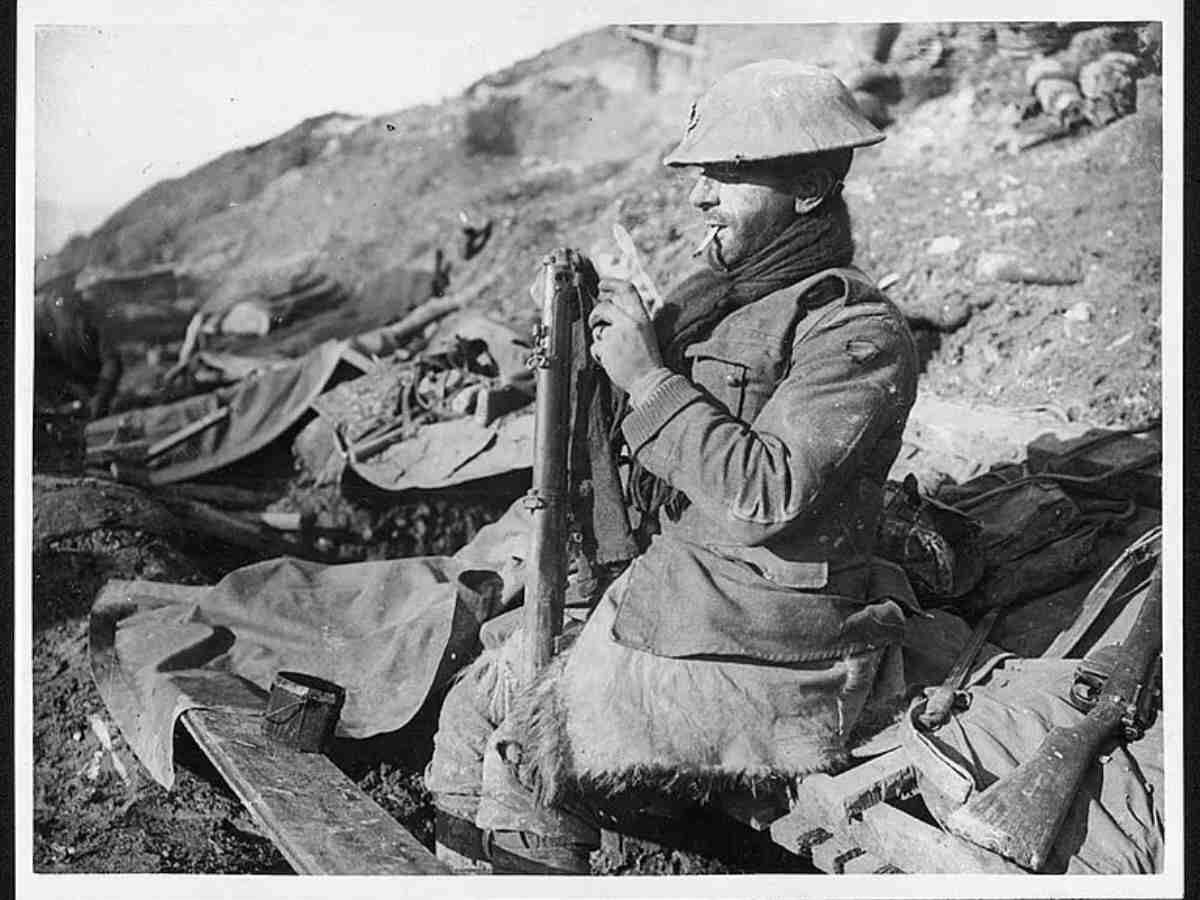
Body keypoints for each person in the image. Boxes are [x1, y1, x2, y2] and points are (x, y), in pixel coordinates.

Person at [425, 60, 919, 874]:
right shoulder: (721, 298)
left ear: (808, 190)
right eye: (702, 176)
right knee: (470, 710)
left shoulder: (853, 329)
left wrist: (649, 380)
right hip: (680, 596)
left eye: (726, 175)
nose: (699, 197)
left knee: (529, 758)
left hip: (766, 638)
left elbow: (770, 493)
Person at [34, 285, 123, 419]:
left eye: (67, 286)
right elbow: (38, 369)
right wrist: (69, 387)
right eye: (55, 293)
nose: (62, 299)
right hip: (59, 395)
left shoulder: (90, 313)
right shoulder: (36, 320)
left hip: (94, 390)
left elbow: (111, 359)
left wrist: (101, 394)